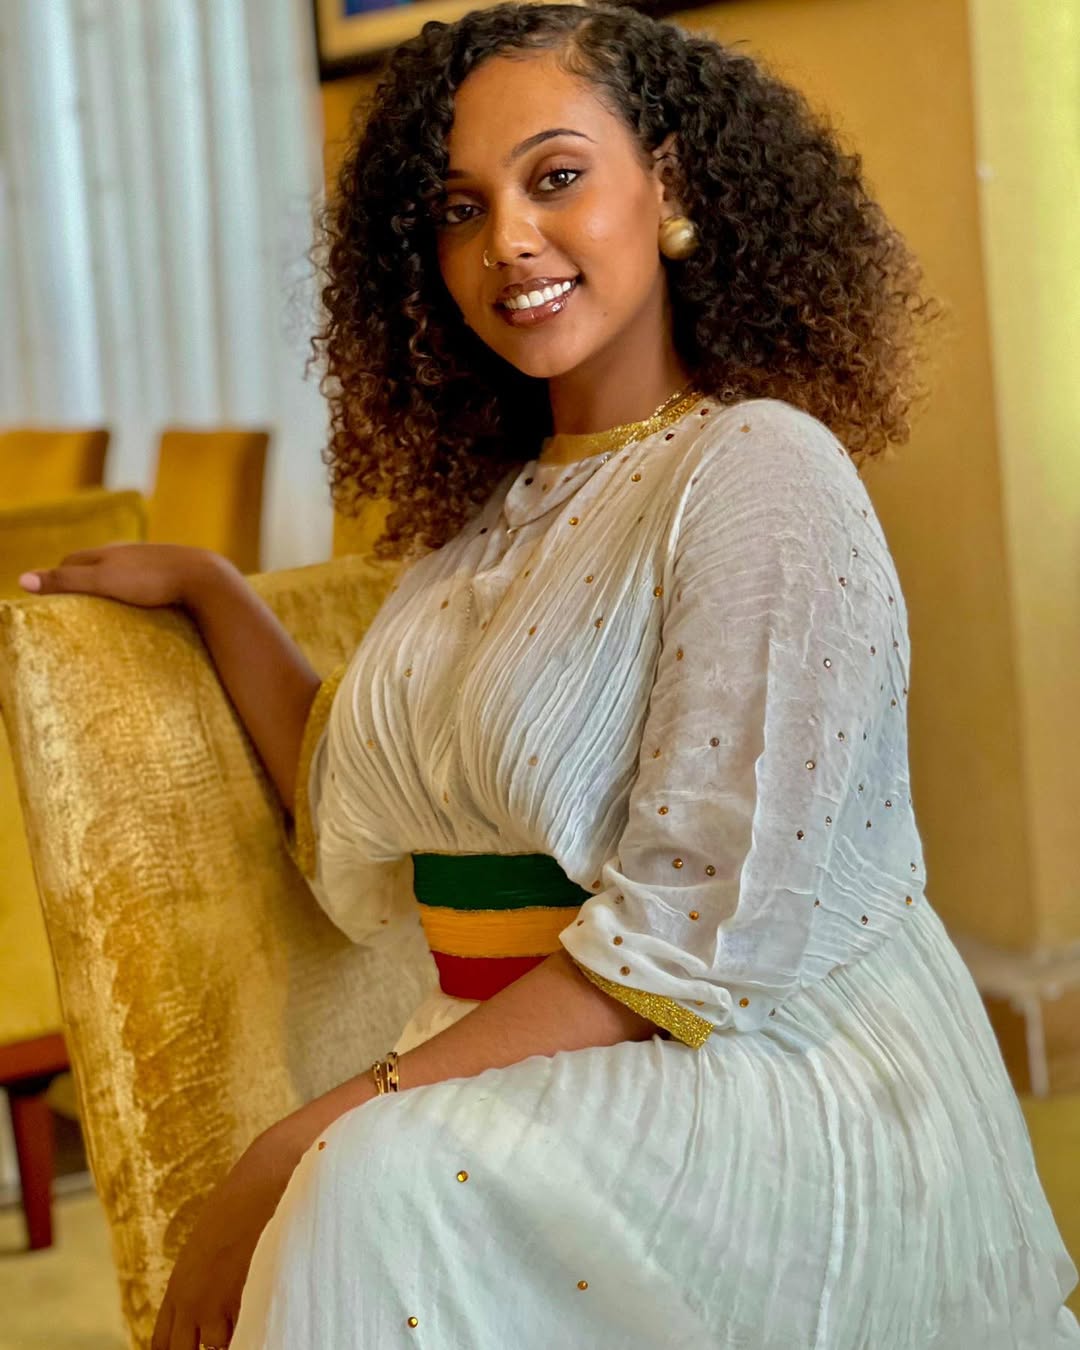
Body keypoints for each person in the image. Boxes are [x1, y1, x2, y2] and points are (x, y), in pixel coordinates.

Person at [21, 4, 1079, 1346]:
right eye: (462, 207)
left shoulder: (757, 469)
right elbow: (345, 799)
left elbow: (688, 944)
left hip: (731, 1080)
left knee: (368, 1185)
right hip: (517, 1067)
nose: (506, 238)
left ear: (675, 184)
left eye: (556, 176)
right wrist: (215, 592)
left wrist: (302, 1137)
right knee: (371, 1178)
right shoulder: (488, 519)